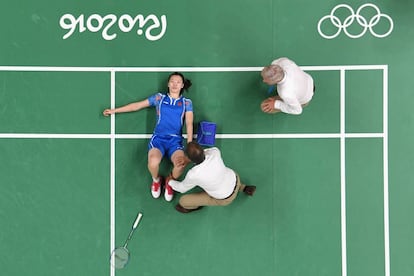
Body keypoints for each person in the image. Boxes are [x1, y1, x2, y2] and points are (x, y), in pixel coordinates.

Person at [103, 72, 194, 202]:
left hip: (175, 142)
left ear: (182, 85)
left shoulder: (186, 103)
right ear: (168, 84)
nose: (175, 84)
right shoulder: (159, 98)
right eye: (172, 81)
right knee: (153, 162)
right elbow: (137, 106)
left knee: (180, 165)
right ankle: (156, 180)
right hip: (159, 139)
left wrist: (190, 144)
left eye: (178, 82)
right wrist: (114, 110)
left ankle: (170, 181)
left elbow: (189, 123)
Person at [168, 141, 256, 213]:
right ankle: (243, 187)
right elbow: (203, 154)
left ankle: (195, 206)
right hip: (235, 178)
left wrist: (170, 181)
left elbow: (182, 188)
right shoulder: (215, 152)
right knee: (220, 177)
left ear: (189, 158)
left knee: (183, 201)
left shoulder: (193, 174)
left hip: (225, 198)